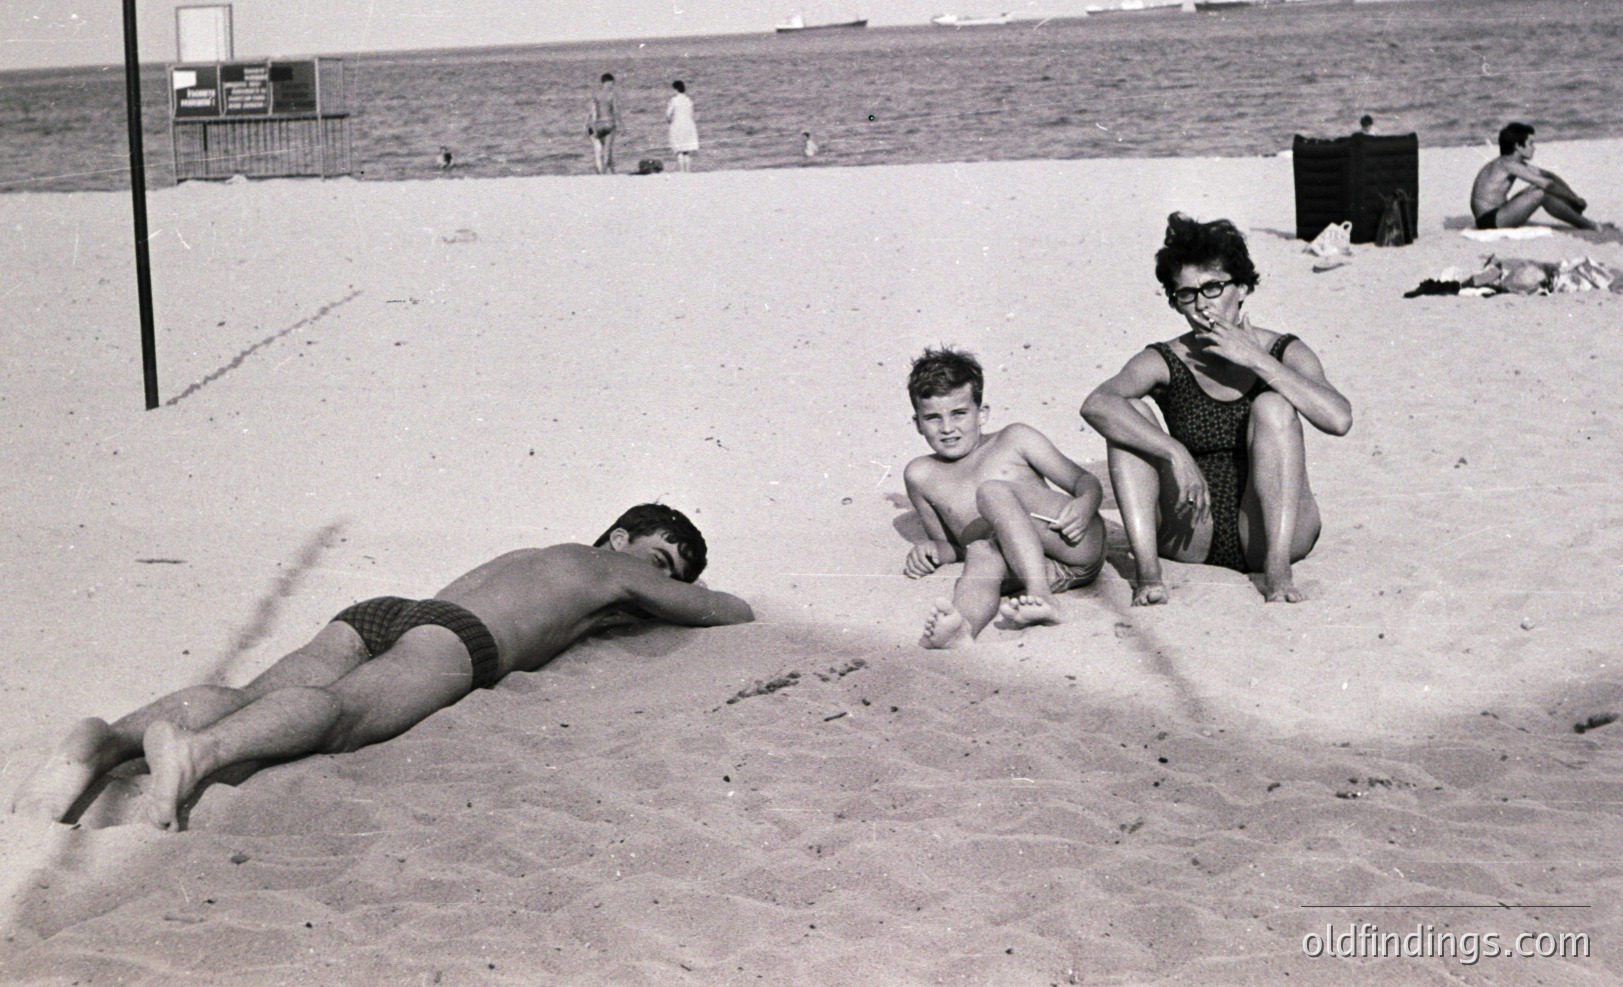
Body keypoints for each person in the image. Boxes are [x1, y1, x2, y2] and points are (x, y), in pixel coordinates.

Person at [10, 504, 753, 829]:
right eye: (660, 561)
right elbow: (726, 612)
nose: (662, 584)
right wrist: (676, 591)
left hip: (391, 608)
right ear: (621, 536)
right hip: (460, 636)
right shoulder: (610, 570)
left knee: (257, 690)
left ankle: (100, 743)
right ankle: (201, 751)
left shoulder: (541, 554)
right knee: (342, 717)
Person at [1081, 214, 1352, 605]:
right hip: (1191, 530)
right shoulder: (1167, 358)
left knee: (1273, 406)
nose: (1202, 304)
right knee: (1129, 414)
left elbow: (1339, 419)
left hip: (1271, 529)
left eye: (1213, 287)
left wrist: (1257, 360)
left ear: (1242, 289)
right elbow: (1096, 404)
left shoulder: (1282, 350)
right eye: (1187, 294)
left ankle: (1277, 574)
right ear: (1176, 303)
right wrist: (1174, 451)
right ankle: (1148, 573)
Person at [903, 348, 1106, 649]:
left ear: (981, 413)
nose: (947, 428)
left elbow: (1084, 481)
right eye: (933, 418)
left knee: (992, 491)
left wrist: (1085, 505)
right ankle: (963, 629)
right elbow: (954, 547)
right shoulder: (921, 475)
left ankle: (1040, 595)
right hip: (1032, 568)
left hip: (1073, 541)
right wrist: (933, 549)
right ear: (918, 422)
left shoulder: (1014, 439)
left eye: (959, 413)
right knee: (981, 551)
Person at [1471, 122, 1609, 231]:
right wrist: (1575, 200)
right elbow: (1547, 185)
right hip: (1489, 220)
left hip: (1499, 212)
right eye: (1530, 143)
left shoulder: (1510, 163)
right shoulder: (1507, 164)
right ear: (1518, 146)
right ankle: (1589, 225)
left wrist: (1574, 200)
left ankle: (1580, 219)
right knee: (1541, 193)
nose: (1534, 147)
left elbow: (1548, 176)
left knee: (1539, 187)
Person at [665, 80, 699, 173]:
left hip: (677, 125)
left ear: (676, 89)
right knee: (686, 151)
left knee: (679, 150)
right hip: (688, 125)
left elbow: (668, 114)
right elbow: (691, 113)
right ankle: (688, 171)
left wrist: (669, 121)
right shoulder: (688, 100)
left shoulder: (674, 100)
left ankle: (682, 171)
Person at [587, 73, 618, 174]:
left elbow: (591, 110)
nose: (612, 85)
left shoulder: (595, 94)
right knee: (607, 149)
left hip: (598, 124)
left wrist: (586, 124)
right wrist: (622, 125)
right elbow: (616, 110)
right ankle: (604, 172)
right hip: (609, 122)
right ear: (609, 82)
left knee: (601, 149)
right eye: (612, 83)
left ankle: (611, 171)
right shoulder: (611, 94)